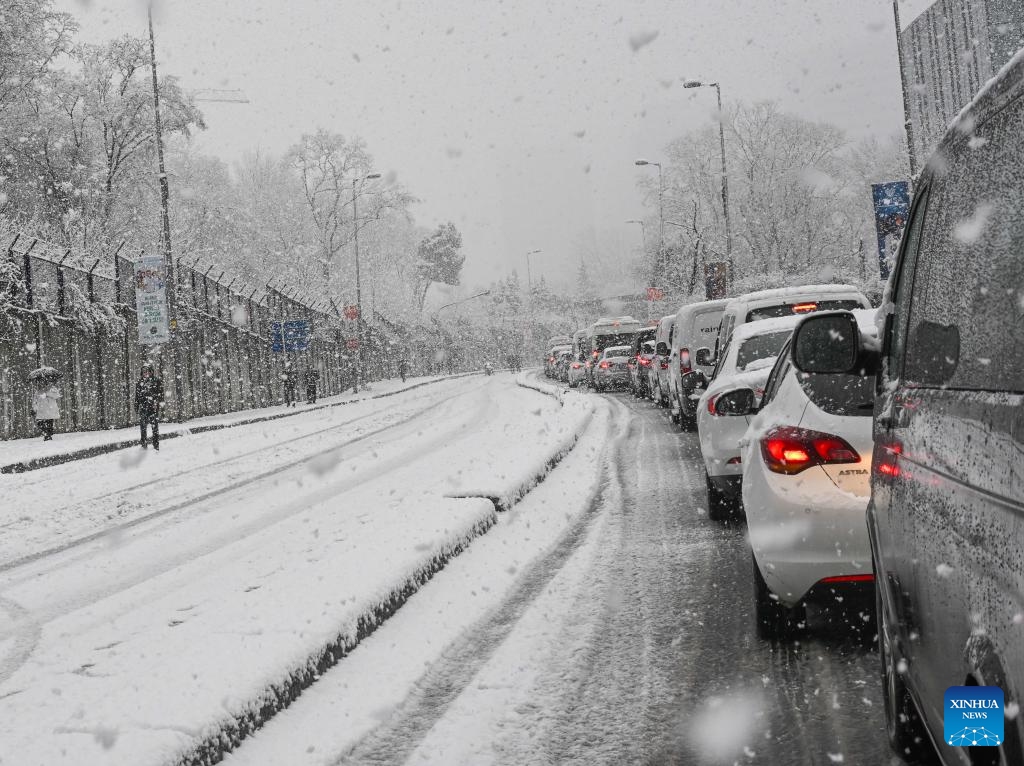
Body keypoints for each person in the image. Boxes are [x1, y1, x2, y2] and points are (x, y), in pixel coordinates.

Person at [135, 364, 164, 450]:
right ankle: (144, 444)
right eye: (144, 372)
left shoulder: (156, 381)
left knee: (154, 427)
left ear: (151, 372)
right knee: (143, 427)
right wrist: (136, 405)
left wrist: (157, 402)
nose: (146, 373)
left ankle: (156, 445)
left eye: (148, 371)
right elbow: (137, 396)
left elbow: (160, 394)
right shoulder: (139, 382)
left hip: (153, 407)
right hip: (143, 407)